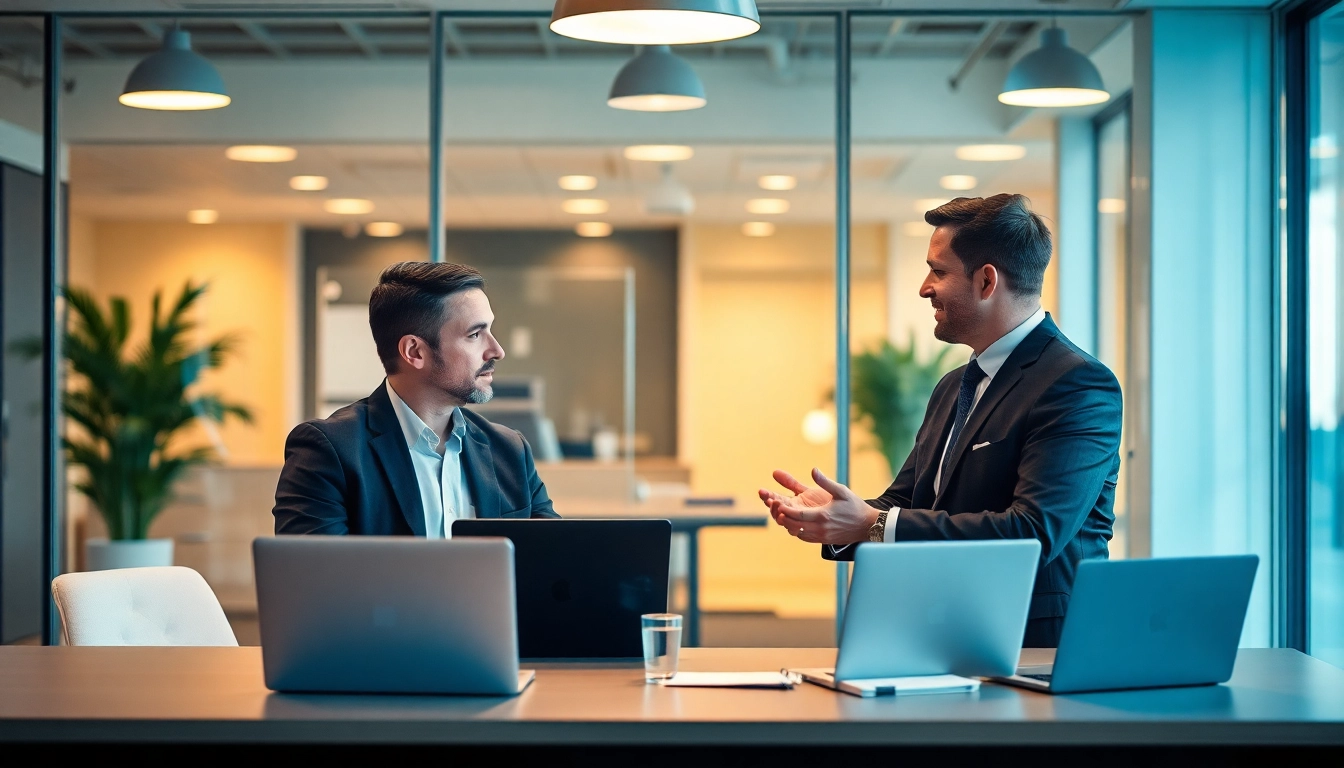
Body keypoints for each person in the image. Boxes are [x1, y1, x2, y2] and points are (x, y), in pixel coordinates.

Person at [759, 194, 1121, 647]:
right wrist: (839, 517)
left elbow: (1031, 532)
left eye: (939, 271)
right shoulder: (953, 385)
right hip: (941, 629)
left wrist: (870, 524)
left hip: (1036, 651)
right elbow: (907, 501)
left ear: (987, 281)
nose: (924, 287)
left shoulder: (1078, 385)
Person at [274, 261, 558, 536]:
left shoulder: (509, 451)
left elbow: (555, 565)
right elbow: (312, 579)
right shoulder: (329, 452)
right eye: (475, 334)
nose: (496, 350)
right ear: (415, 352)